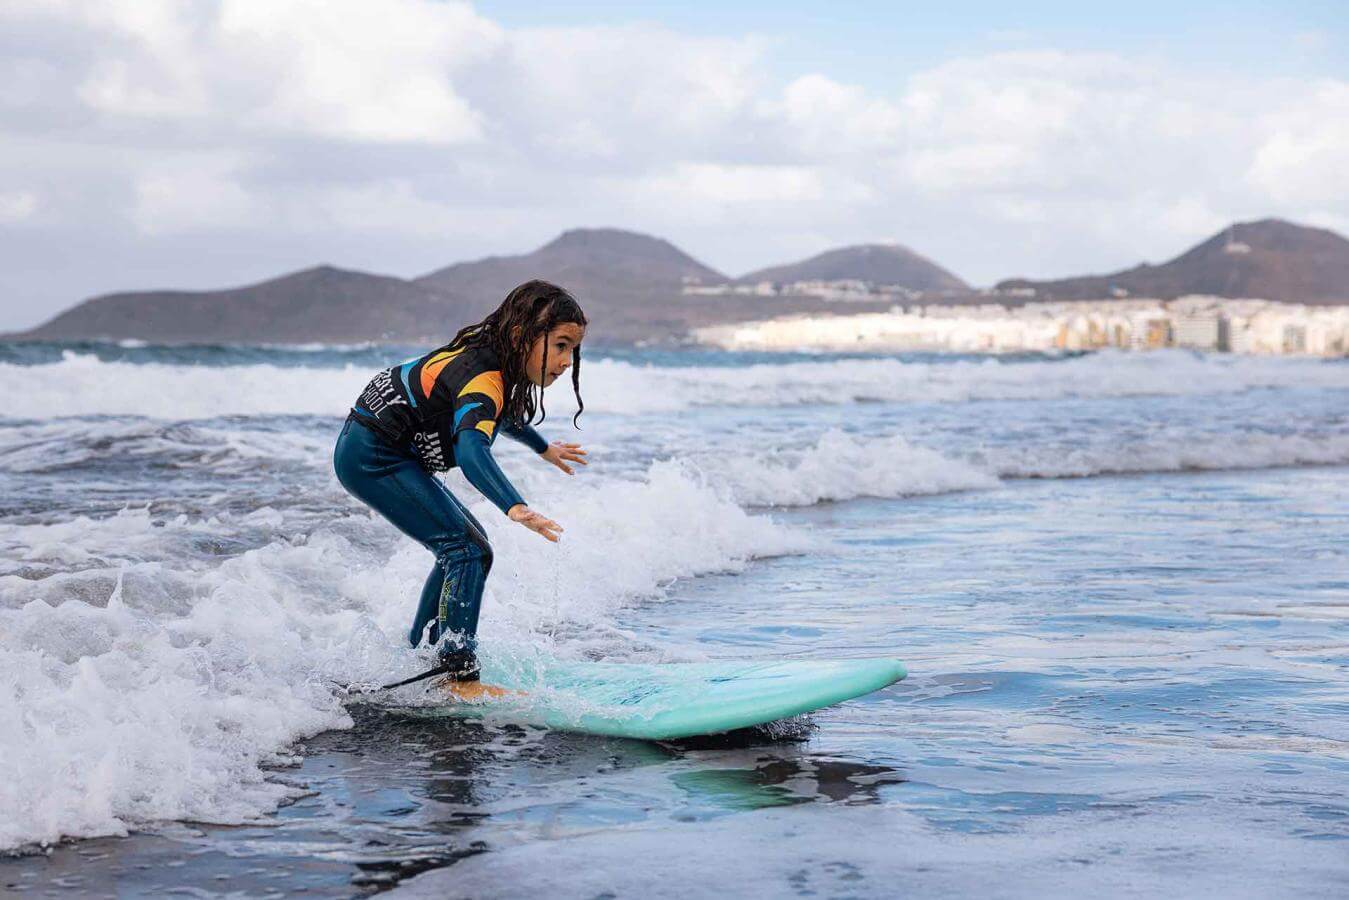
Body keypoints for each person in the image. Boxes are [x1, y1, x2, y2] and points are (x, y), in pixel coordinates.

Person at [333, 280, 588, 682]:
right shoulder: (483, 377)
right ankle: (456, 675)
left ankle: (422, 657)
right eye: (559, 345)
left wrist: (542, 448)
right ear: (522, 336)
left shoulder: (494, 353)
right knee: (465, 551)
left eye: (572, 349)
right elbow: (472, 449)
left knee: (470, 550)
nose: (566, 361)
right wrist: (515, 506)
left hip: (381, 446)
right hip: (372, 456)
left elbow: (499, 413)